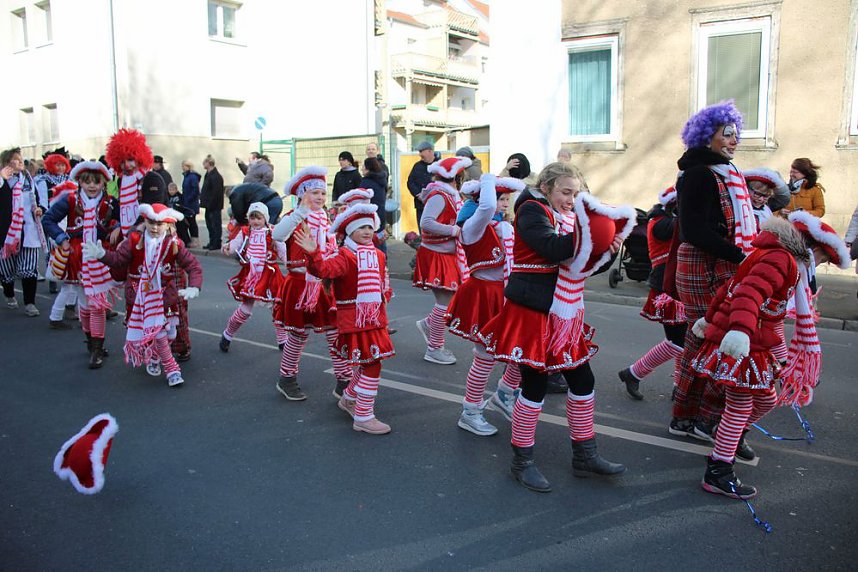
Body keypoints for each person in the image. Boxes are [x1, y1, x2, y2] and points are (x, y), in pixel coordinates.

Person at [478, 163, 634, 492]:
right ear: (547, 187)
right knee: (533, 388)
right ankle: (521, 462)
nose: (571, 199)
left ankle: (585, 455)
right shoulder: (531, 210)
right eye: (565, 192)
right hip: (532, 312)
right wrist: (592, 234)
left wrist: (604, 251)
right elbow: (552, 249)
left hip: (562, 315)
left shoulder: (565, 217)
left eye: (577, 194)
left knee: (583, 380)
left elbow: (578, 267)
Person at [691, 214, 849, 499]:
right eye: (824, 258)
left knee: (766, 398)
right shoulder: (781, 259)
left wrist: (784, 360)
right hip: (742, 340)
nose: (820, 264)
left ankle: (731, 437)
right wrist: (737, 330)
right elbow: (747, 293)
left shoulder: (781, 259)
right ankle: (718, 471)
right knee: (740, 407)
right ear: (811, 247)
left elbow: (735, 291)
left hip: (751, 339)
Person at [668, 100, 755, 443]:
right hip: (701, 265)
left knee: (709, 340)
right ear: (707, 137)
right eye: (727, 134)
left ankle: (701, 416)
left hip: (722, 263)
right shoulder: (699, 174)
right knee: (703, 339)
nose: (734, 140)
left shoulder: (727, 173)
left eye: (736, 134)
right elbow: (694, 230)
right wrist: (740, 255)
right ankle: (688, 417)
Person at [294, 202, 395, 434]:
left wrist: (383, 305)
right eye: (361, 228)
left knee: (368, 361)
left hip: (375, 319)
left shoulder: (378, 255)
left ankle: (349, 397)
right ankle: (363, 416)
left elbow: (382, 286)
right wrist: (313, 252)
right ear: (349, 232)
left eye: (370, 227)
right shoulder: (345, 256)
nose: (367, 231)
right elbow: (324, 271)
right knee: (372, 364)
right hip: (354, 320)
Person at [84, 203, 203, 387]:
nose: (155, 227)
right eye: (151, 222)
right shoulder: (133, 241)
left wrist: (195, 286)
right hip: (140, 297)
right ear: (144, 221)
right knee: (159, 333)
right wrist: (101, 254)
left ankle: (154, 355)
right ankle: (172, 370)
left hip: (165, 297)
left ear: (168, 225)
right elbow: (118, 261)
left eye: (160, 223)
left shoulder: (173, 244)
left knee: (169, 334)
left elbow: (193, 266)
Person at [445, 174, 524, 435]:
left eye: (507, 200)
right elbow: (487, 206)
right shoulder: (473, 226)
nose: (503, 204)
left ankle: (504, 393)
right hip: (483, 295)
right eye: (500, 199)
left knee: (520, 350)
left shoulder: (504, 227)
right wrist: (488, 177)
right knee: (486, 357)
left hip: (508, 293)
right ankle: (470, 411)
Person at [271, 166, 353, 400]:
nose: (319, 197)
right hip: (299, 284)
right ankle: (286, 378)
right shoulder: (294, 217)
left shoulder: (324, 219)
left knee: (334, 333)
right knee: (298, 336)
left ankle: (343, 380)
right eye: (314, 193)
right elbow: (278, 235)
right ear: (302, 195)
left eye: (322, 193)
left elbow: (331, 249)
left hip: (324, 283)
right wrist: (300, 213)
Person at [42, 161, 120, 367]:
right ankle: (91, 341)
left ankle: (97, 349)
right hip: (77, 259)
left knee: (97, 305)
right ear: (80, 182)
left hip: (101, 258)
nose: (92, 186)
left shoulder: (111, 202)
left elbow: (127, 220)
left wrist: (117, 227)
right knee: (85, 305)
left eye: (96, 182)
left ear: (104, 182)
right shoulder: (69, 200)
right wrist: (61, 238)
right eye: (87, 182)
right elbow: (48, 219)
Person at [618, 187, 686, 400]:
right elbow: (680, 227)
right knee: (677, 342)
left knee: (683, 340)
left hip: (678, 286)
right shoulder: (661, 223)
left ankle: (679, 386)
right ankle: (634, 372)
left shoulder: (668, 219)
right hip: (667, 288)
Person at [413, 155, 472, 365]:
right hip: (436, 254)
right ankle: (434, 348)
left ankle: (429, 326)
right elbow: (426, 223)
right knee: (444, 303)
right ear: (457, 177)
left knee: (448, 301)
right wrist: (454, 230)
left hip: (447, 254)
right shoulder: (440, 195)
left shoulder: (451, 195)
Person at [220, 202, 286, 351]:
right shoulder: (244, 231)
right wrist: (227, 248)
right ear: (248, 218)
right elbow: (234, 246)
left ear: (265, 219)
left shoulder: (272, 232)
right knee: (245, 309)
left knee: (277, 307)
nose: (255, 221)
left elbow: (282, 251)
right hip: (250, 275)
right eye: (252, 217)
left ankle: (283, 340)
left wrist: (290, 263)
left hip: (270, 274)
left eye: (259, 218)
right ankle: (228, 334)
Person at [1, 147, 47, 316]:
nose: (20, 161)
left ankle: (30, 303)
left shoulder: (28, 180)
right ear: (6, 163)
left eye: (21, 158)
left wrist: (40, 209)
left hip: (28, 230)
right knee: (6, 271)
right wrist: (2, 180)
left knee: (28, 268)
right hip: (7, 233)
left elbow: (39, 201)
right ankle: (9, 293)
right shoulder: (2, 181)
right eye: (15, 159)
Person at [105, 128, 154, 236]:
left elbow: (151, 212)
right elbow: (123, 212)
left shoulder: (151, 179)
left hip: (151, 237)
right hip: (128, 237)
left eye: (130, 159)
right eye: (122, 162)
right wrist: (118, 227)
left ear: (140, 158)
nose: (127, 165)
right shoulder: (122, 181)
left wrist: (131, 234)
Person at [359, 157, 388, 252]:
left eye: (364, 166)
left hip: (370, 216)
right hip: (381, 214)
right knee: (381, 239)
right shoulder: (381, 180)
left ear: (368, 168)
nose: (362, 168)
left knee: (373, 242)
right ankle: (384, 263)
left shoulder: (366, 182)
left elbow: (361, 200)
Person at [406, 141, 437, 229]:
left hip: (436, 205)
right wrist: (418, 194)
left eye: (421, 151)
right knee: (422, 230)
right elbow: (410, 182)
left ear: (430, 151)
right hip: (421, 205)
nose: (419, 154)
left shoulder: (439, 165)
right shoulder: (417, 166)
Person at [200, 154, 225, 250]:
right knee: (210, 225)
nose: (203, 164)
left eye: (204, 162)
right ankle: (211, 242)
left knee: (215, 225)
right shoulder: (208, 175)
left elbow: (216, 193)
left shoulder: (215, 176)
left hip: (214, 206)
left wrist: (210, 203)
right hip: (208, 205)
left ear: (209, 163)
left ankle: (216, 243)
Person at [180, 161, 201, 247]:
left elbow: (195, 190)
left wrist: (188, 199)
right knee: (188, 222)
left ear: (188, 166)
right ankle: (190, 239)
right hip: (187, 203)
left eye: (184, 166)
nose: (182, 167)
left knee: (192, 222)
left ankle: (195, 240)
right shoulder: (186, 176)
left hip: (191, 204)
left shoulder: (192, 176)